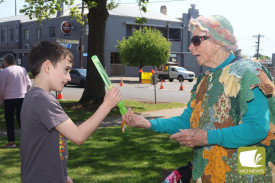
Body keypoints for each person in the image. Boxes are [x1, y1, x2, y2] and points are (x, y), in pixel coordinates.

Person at [124, 15, 275, 183]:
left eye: (196, 40)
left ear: (218, 41)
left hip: (245, 176)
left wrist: (206, 137)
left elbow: (257, 129)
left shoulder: (247, 73)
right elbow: (187, 121)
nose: (190, 47)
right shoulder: (205, 78)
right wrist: (148, 123)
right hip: (209, 174)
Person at [20, 41, 122, 183]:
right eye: (65, 70)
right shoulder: (43, 99)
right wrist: (106, 106)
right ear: (48, 66)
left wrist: (60, 175)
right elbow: (78, 136)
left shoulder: (33, 96)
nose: (68, 77)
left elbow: (39, 146)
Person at [0, 53, 31, 148]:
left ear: (5, 62)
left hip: (9, 98)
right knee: (22, 119)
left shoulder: (4, 72)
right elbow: (29, 84)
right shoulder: (22, 69)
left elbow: (1, 88)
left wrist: (1, 100)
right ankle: (27, 140)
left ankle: (11, 141)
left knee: (9, 120)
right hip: (22, 97)